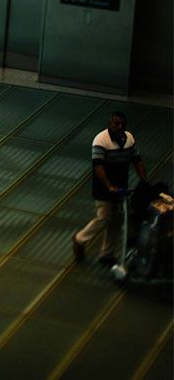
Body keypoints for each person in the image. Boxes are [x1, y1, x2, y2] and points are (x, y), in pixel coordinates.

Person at [73, 111, 146, 266]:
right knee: (104, 218)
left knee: (116, 221)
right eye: (116, 123)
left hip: (120, 188)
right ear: (110, 123)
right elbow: (98, 166)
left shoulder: (129, 139)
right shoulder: (101, 140)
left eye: (122, 124)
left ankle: (107, 254)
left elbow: (137, 160)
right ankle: (80, 239)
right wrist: (109, 186)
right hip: (103, 189)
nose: (119, 127)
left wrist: (143, 180)